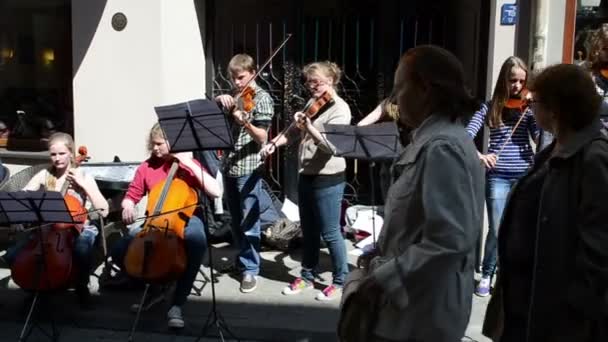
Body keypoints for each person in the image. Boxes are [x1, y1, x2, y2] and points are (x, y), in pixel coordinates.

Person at [337, 45, 484, 342]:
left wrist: (382, 278)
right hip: (410, 314)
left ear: (425, 89)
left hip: (420, 320)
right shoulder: (435, 141)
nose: (394, 99)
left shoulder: (443, 147)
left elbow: (451, 239)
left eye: (398, 88)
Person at [483, 64, 608, 342]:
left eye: (534, 100)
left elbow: (598, 250)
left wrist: (573, 309)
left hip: (556, 318)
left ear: (555, 108)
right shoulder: (555, 149)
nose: (528, 104)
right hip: (525, 304)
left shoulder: (594, 157)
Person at [111, 123, 221, 329]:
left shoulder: (189, 165)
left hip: (186, 217)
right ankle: (154, 287)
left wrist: (189, 162)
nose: (155, 149)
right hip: (154, 220)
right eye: (152, 144)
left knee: (197, 241)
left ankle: (177, 303)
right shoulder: (147, 166)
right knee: (120, 250)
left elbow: (215, 191)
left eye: (160, 144)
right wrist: (127, 205)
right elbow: (133, 194)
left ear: (173, 143)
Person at [261, 61, 351, 301]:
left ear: (331, 81)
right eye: (309, 82)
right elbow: (292, 132)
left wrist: (309, 127)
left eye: (317, 82)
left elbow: (331, 147)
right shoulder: (313, 103)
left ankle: (341, 280)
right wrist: (273, 144)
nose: (312, 87)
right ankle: (307, 276)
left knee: (331, 232)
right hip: (307, 174)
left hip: (329, 177)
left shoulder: (340, 109)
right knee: (309, 230)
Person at [2, 132, 109, 308]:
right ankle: (36, 288)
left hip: (80, 227)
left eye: (62, 154)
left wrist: (84, 186)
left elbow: (104, 210)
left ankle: (81, 287)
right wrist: (18, 220)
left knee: (82, 248)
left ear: (71, 153)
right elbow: (24, 197)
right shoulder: (45, 174)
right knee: (14, 255)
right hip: (47, 229)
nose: (57, 158)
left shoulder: (82, 175)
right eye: (53, 154)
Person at [466, 56, 539, 297]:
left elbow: (540, 137)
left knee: (519, 229)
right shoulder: (490, 106)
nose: (517, 86)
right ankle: (487, 273)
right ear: (503, 81)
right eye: (512, 81)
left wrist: (537, 110)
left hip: (524, 175)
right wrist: (480, 156)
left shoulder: (527, 109)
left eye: (521, 81)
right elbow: (466, 135)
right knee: (498, 229)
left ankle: (509, 276)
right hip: (497, 176)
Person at [215, 53, 274, 293]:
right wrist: (220, 100)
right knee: (237, 221)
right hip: (230, 165)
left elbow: (263, 137)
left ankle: (251, 270)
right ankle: (242, 261)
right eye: (233, 78)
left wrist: (245, 123)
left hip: (248, 167)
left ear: (253, 73)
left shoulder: (262, 99)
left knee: (250, 221)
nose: (237, 83)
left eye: (241, 77)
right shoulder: (236, 96)